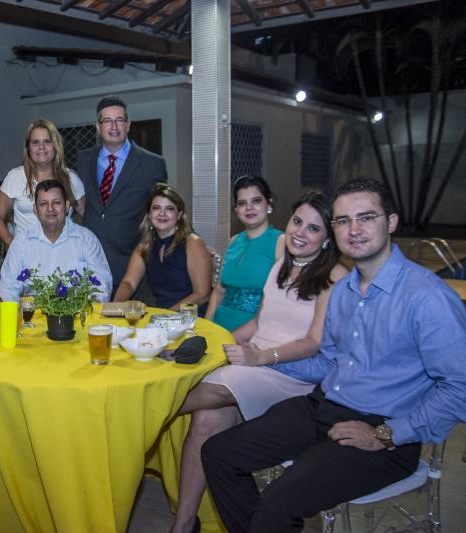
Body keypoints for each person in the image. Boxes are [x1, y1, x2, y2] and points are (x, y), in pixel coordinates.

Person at [202, 178, 466, 533]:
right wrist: (260, 358)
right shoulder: (343, 290)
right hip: (323, 406)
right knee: (218, 454)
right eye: (343, 220)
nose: (353, 229)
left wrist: (386, 434)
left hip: (383, 431)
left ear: (391, 222)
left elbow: (459, 387)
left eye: (366, 217)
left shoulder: (426, 297)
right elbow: (327, 363)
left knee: (277, 502)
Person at [170, 191, 348, 533]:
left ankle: (148, 411)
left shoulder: (335, 277)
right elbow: (258, 323)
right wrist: (214, 344)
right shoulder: (282, 265)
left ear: (328, 239)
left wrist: (262, 357)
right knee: (206, 420)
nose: (299, 232)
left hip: (292, 376)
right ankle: (184, 523)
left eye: (313, 228)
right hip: (256, 362)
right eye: (297, 221)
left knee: (202, 391)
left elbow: (314, 342)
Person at [76, 95, 168, 295]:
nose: (114, 126)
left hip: (129, 265)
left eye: (119, 120)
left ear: (128, 124)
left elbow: (166, 206)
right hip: (87, 264)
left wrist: (190, 238)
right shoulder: (84, 159)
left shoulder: (152, 164)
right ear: (98, 126)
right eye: (107, 121)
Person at [0, 180, 112, 302]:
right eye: (43, 204)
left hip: (78, 311)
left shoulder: (87, 240)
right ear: (35, 209)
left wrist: (90, 309)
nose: (50, 209)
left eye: (56, 202)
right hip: (33, 312)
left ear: (67, 206)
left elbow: (101, 286)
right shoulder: (21, 243)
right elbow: (8, 290)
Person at [113, 184, 212, 311]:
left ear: (179, 214)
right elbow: (129, 283)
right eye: (156, 208)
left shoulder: (192, 243)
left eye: (169, 209)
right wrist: (115, 306)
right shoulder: (145, 246)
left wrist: (166, 315)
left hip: (191, 317)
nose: (162, 213)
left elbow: (202, 295)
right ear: (149, 214)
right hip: (160, 316)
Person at [205, 175, 285, 332]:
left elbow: (280, 303)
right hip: (219, 326)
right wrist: (206, 327)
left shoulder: (281, 242)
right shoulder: (233, 241)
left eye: (256, 201)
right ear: (236, 210)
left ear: (269, 204)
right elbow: (219, 291)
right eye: (242, 203)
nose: (249, 208)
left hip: (255, 332)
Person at [0, 119, 86, 246]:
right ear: (28, 148)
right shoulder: (16, 177)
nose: (41, 147)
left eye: (47, 141)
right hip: (26, 253)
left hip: (65, 251)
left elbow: (90, 216)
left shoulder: (71, 178)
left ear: (56, 146)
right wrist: (13, 245)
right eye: (35, 142)